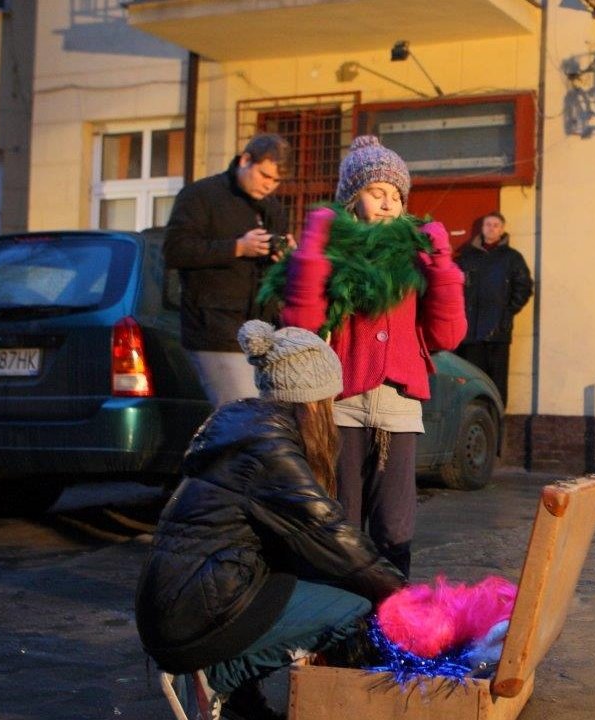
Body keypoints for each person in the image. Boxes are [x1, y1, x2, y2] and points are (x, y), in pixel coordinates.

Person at [136, 320, 407, 720]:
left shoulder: (246, 428)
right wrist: (407, 599)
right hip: (196, 618)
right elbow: (334, 538)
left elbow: (309, 545)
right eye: (329, 402)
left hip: (181, 607)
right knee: (358, 605)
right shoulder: (270, 450)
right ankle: (220, 677)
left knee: (312, 579)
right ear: (312, 401)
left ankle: (241, 702)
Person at [274, 135, 467, 576]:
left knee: (395, 529)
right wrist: (312, 253)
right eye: (375, 192)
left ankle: (389, 623)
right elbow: (301, 325)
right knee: (340, 525)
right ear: (351, 199)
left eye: (396, 196)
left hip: (399, 410)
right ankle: (340, 622)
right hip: (340, 407)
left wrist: (442, 265)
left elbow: (448, 334)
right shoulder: (333, 253)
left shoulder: (416, 258)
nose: (387, 204)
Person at [165, 133, 293, 407]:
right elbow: (175, 250)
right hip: (215, 330)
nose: (269, 186)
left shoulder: (272, 208)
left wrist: (286, 256)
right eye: (264, 175)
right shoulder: (200, 195)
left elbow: (278, 270)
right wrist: (237, 248)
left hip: (262, 330)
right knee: (242, 418)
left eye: (276, 181)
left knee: (255, 421)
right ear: (245, 160)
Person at [455, 211, 534, 404]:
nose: (491, 228)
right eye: (488, 224)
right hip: (470, 333)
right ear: (482, 229)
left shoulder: (512, 257)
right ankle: (475, 417)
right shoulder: (467, 256)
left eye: (496, 225)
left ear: (502, 230)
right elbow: (453, 286)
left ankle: (497, 419)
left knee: (497, 380)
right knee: (473, 378)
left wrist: (507, 312)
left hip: (498, 331)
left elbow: (524, 287)